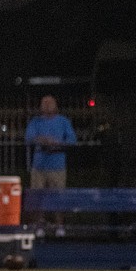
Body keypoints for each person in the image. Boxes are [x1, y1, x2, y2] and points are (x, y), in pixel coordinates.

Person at [24, 95, 77, 238]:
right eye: (44, 103)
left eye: (50, 103)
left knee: (58, 196)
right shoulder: (35, 122)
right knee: (38, 197)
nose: (47, 106)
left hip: (57, 166)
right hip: (39, 166)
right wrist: (41, 139)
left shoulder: (63, 121)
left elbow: (72, 140)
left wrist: (57, 143)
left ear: (55, 105)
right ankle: (39, 225)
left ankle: (59, 225)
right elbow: (28, 138)